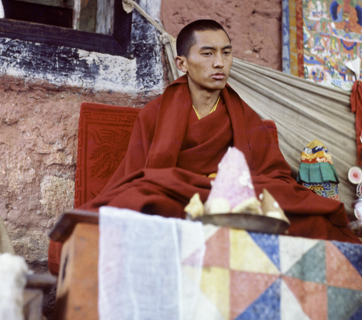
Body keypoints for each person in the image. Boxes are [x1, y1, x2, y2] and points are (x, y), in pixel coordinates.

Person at [48, 19, 360, 274]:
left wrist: (230, 186)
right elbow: (138, 176)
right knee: (135, 203)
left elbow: (275, 175)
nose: (220, 63)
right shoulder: (155, 113)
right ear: (182, 62)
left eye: (226, 53)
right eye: (208, 54)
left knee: (314, 217)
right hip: (178, 196)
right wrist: (193, 184)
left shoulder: (247, 116)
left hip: (234, 200)